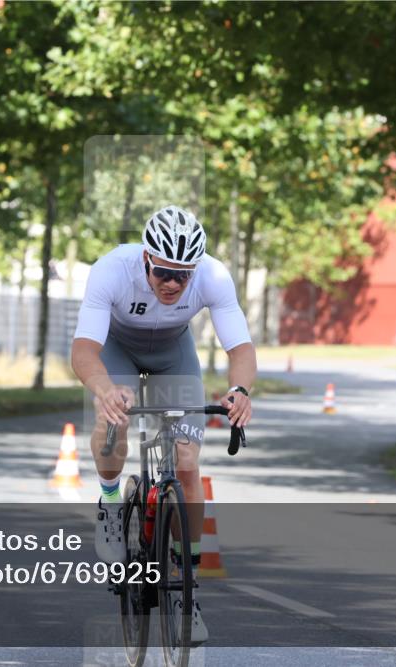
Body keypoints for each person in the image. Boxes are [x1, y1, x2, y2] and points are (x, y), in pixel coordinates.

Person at [70, 204, 257, 645]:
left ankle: (187, 591)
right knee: (112, 427)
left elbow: (241, 347)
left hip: (174, 353)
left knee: (187, 463)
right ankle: (111, 502)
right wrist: (104, 389)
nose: (173, 284)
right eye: (164, 273)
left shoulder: (213, 275)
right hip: (116, 349)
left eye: (183, 276)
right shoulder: (112, 270)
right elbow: (83, 349)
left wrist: (241, 391)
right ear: (146, 260)